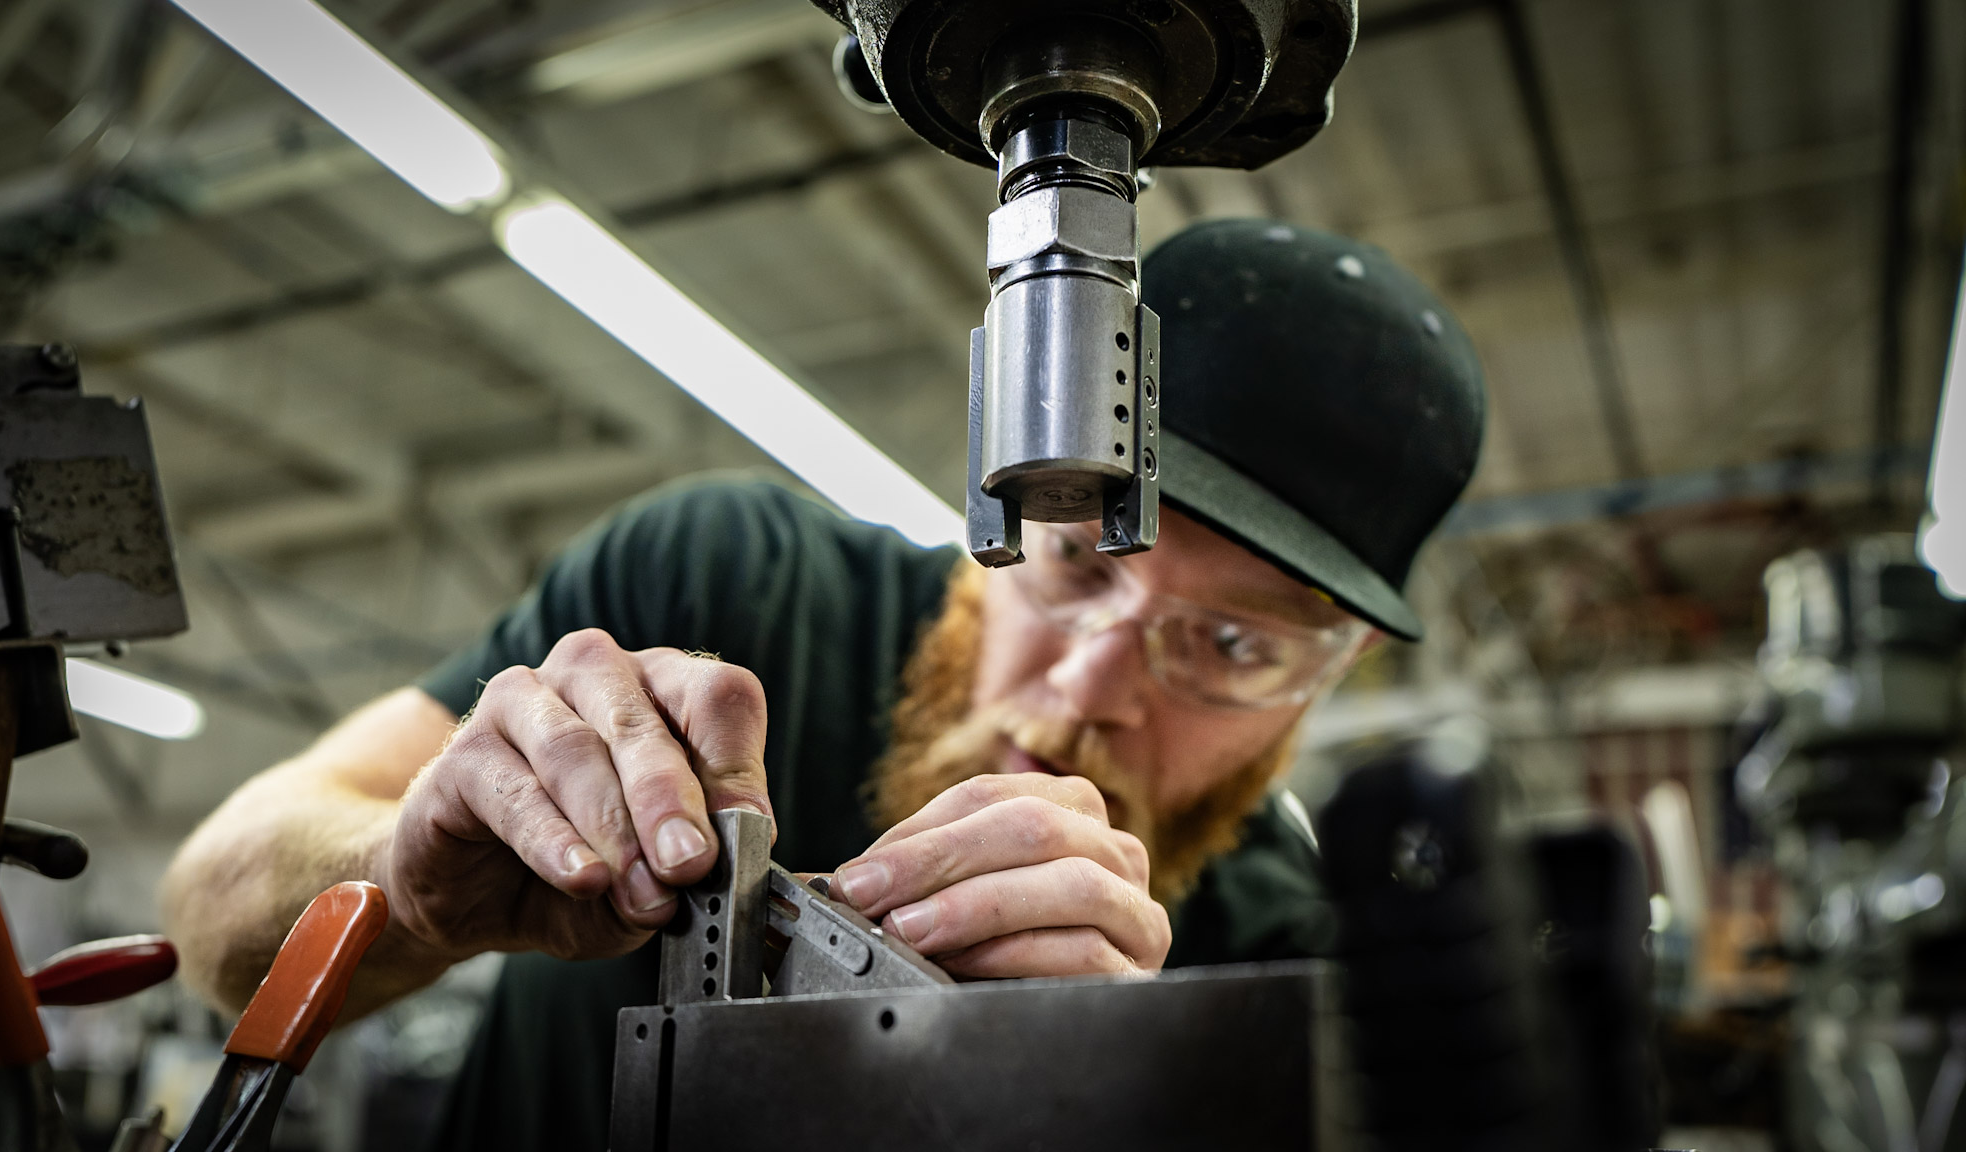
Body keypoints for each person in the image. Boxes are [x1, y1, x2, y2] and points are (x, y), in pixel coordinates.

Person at [160, 219, 1487, 1148]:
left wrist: (1109, 1096)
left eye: (1231, 645)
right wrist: (403, 878)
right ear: (1002, 497)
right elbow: (213, 920)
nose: (1090, 691)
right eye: (1078, 561)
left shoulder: (1267, 955)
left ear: (1330, 675)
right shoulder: (724, 584)